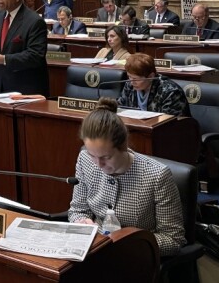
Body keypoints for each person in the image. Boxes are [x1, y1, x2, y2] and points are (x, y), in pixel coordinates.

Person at [69, 97, 186, 257]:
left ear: (123, 146)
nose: (98, 164)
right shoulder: (84, 160)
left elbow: (173, 240)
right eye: (92, 155)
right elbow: (77, 210)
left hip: (136, 256)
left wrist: (128, 242)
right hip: (96, 251)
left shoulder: (157, 176)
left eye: (106, 157)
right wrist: (81, 222)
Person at [118, 53, 190, 116]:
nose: (131, 81)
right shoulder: (129, 85)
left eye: (135, 79)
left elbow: (169, 122)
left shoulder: (170, 91)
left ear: (151, 76)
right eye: (129, 76)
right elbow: (120, 107)